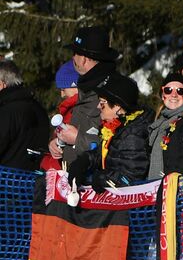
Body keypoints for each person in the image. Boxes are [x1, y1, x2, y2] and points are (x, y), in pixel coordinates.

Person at [72, 74, 151, 191]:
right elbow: (105, 154)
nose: (98, 106)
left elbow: (130, 178)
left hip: (126, 206)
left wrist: (101, 178)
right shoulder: (116, 127)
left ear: (118, 107)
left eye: (102, 103)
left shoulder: (133, 134)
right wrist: (84, 160)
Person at [55, 26, 120, 166]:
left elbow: (119, 143)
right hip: (77, 178)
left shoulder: (111, 91)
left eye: (75, 53)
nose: (73, 58)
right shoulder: (87, 87)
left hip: (97, 182)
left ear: (83, 59)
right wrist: (59, 142)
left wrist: (78, 140)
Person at [146, 73, 183, 179]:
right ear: (163, 95)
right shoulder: (159, 124)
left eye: (180, 91)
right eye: (168, 90)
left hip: (181, 189)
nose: (174, 95)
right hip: (162, 187)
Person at [0, 59, 47, 170]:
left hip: (8, 180)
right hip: (33, 178)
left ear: (2, 84)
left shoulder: (7, 111)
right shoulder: (37, 107)